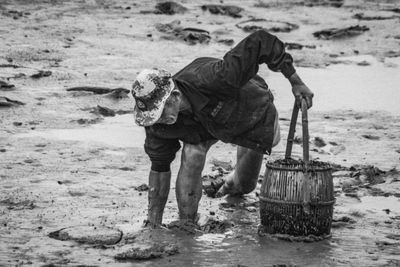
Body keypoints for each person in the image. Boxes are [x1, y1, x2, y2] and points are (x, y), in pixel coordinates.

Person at [131, 30, 314, 228]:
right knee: (192, 153)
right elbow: (159, 171)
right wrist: (153, 225)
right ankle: (188, 223)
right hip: (203, 126)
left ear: (175, 96)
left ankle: (230, 182)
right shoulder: (157, 124)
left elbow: (261, 41)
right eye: (154, 115)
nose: (160, 120)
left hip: (249, 112)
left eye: (161, 112)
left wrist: (295, 81)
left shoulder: (216, 76)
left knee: (244, 186)